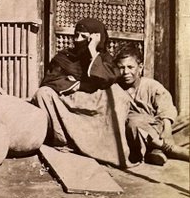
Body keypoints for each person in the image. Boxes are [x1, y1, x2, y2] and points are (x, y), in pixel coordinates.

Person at [31, 17, 132, 168]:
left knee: (118, 94)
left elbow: (107, 78)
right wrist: (81, 85)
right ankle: (64, 141)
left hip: (94, 103)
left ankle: (105, 148)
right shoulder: (64, 57)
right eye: (76, 35)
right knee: (43, 93)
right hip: (68, 100)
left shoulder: (104, 58)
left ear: (96, 38)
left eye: (84, 37)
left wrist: (92, 51)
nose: (78, 40)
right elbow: (51, 81)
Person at [114, 42, 189, 166]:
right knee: (134, 123)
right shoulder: (116, 89)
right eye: (121, 68)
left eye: (130, 67)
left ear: (140, 67)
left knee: (186, 121)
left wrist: (168, 131)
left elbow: (166, 107)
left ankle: (156, 149)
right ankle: (174, 151)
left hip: (159, 128)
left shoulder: (151, 85)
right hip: (136, 132)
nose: (126, 72)